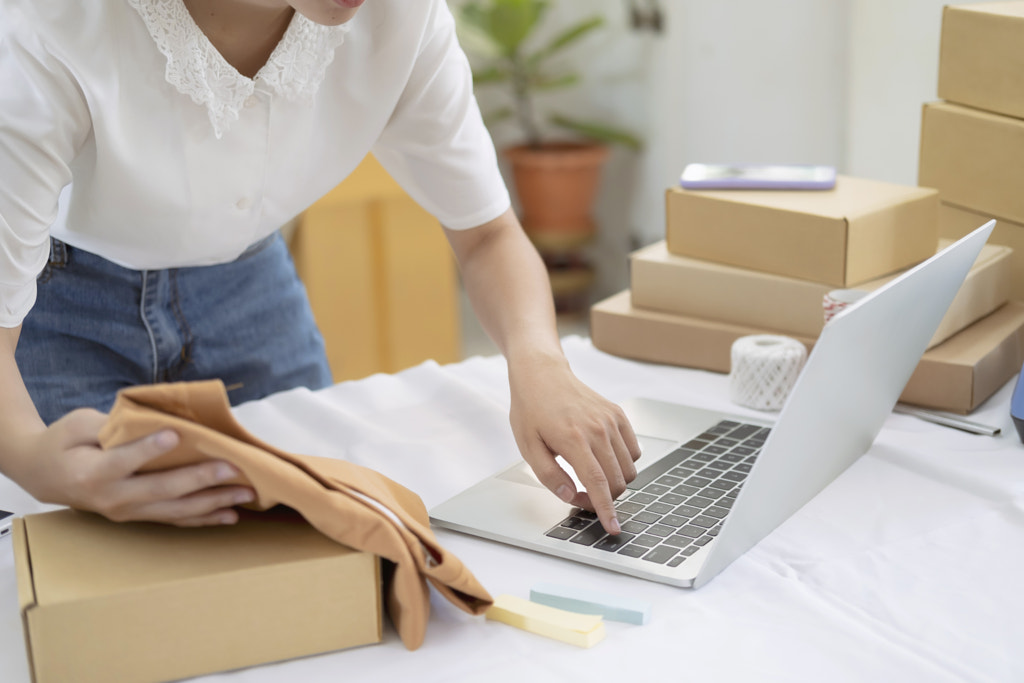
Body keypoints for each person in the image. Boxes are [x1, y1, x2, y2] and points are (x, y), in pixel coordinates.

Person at [0, 0, 640, 535]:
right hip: (51, 307)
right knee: (76, 561)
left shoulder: (399, 15)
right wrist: (29, 457)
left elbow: (488, 234)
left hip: (249, 286)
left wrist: (539, 364)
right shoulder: (48, 25)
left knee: (304, 538)